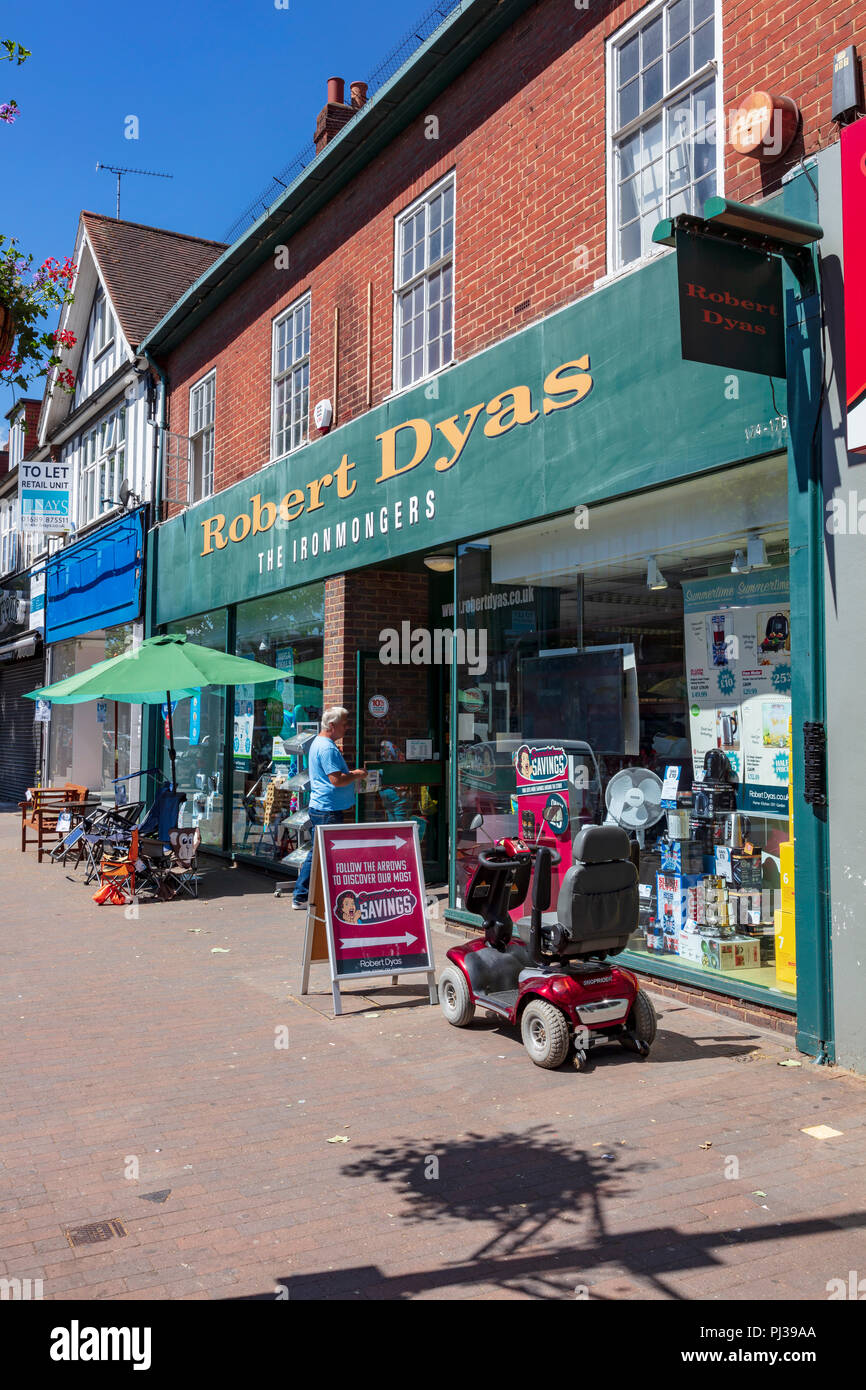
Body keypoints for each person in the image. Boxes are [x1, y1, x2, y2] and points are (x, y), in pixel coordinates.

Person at [292, 706, 365, 909]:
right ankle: (302, 895)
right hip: (327, 809)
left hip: (324, 807)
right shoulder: (326, 747)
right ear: (332, 726)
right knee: (322, 853)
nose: (347, 728)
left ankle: (305, 894)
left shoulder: (321, 743)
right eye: (344, 724)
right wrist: (357, 774)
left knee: (318, 852)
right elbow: (336, 780)